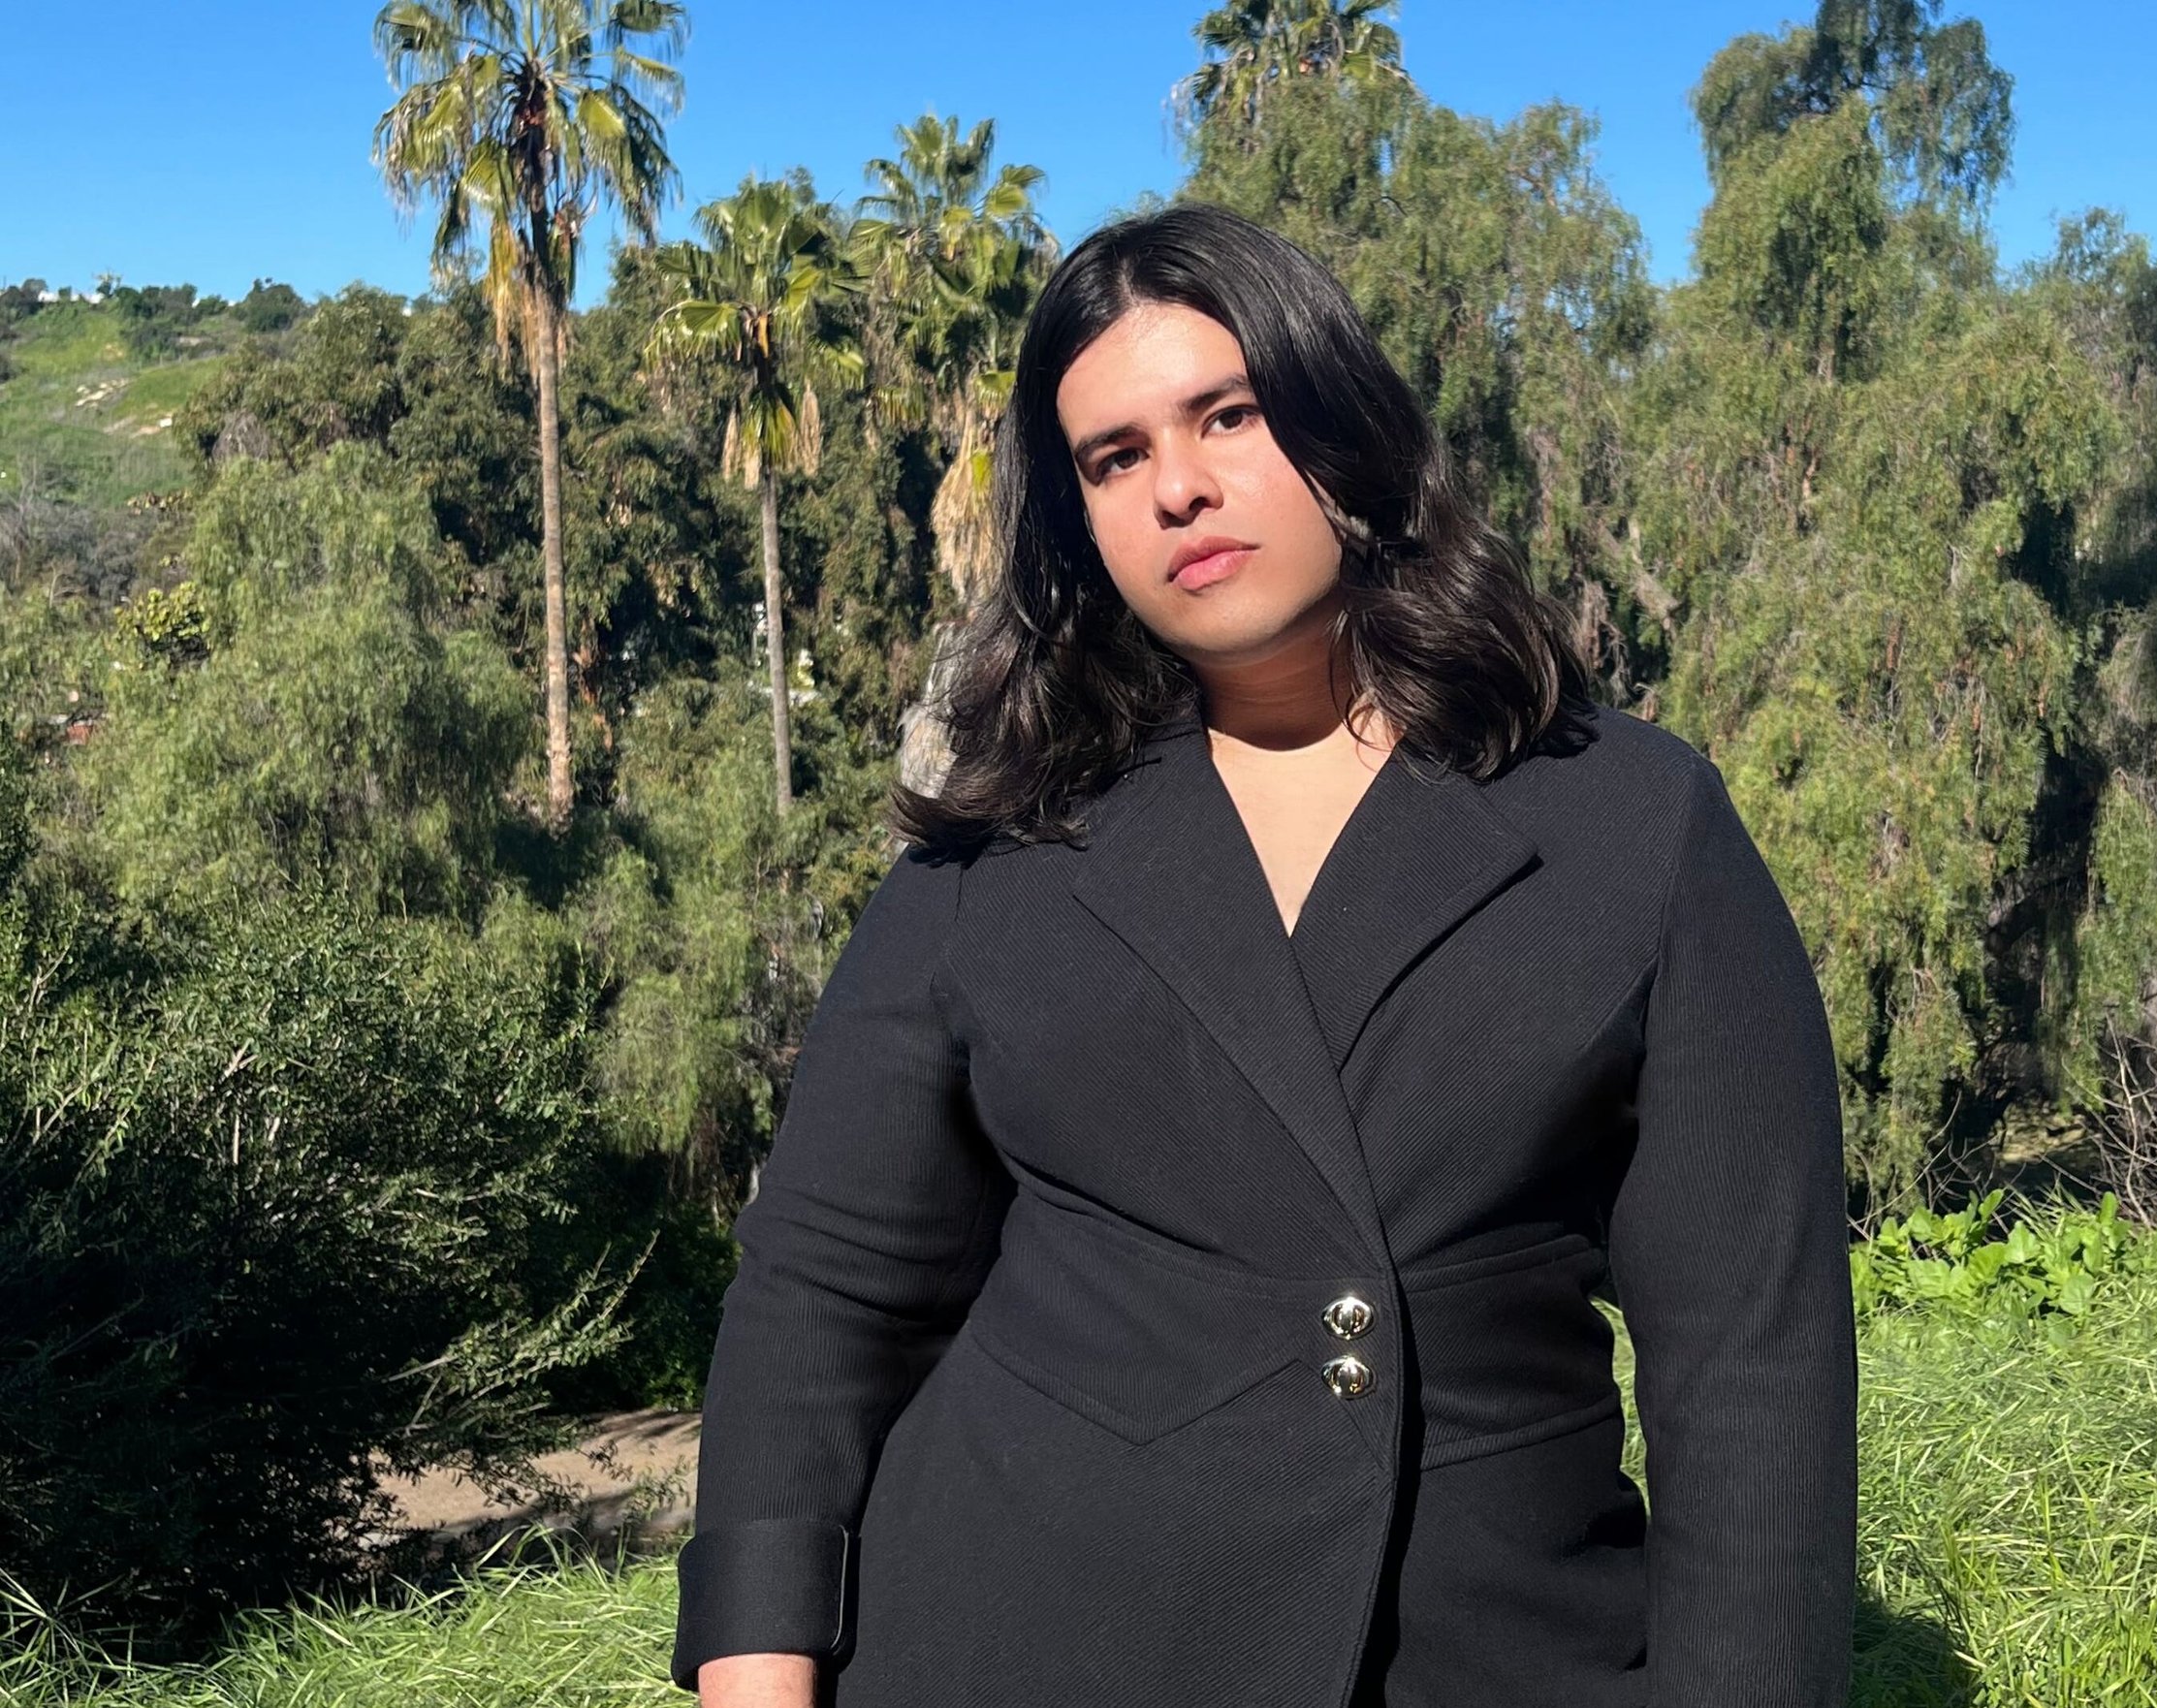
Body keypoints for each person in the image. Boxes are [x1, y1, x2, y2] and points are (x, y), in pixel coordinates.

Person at [671, 201, 1856, 1708]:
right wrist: (757, 1674)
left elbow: (1753, 1375)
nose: (1178, 487)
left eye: (1226, 414)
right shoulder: (1005, 842)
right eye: (1114, 458)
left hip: (1480, 1649)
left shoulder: (1633, 827)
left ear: (1339, 420)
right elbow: (823, 1286)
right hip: (1013, 1635)